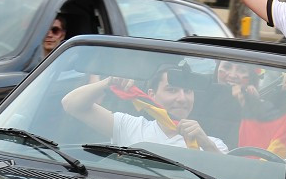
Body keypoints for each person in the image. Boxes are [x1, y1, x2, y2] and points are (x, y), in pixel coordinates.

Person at [62, 65, 227, 152]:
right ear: (151, 94)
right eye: (172, 90)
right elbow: (71, 104)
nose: (182, 98)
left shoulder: (214, 144)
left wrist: (205, 143)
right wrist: (108, 82)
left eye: (188, 91)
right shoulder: (130, 126)